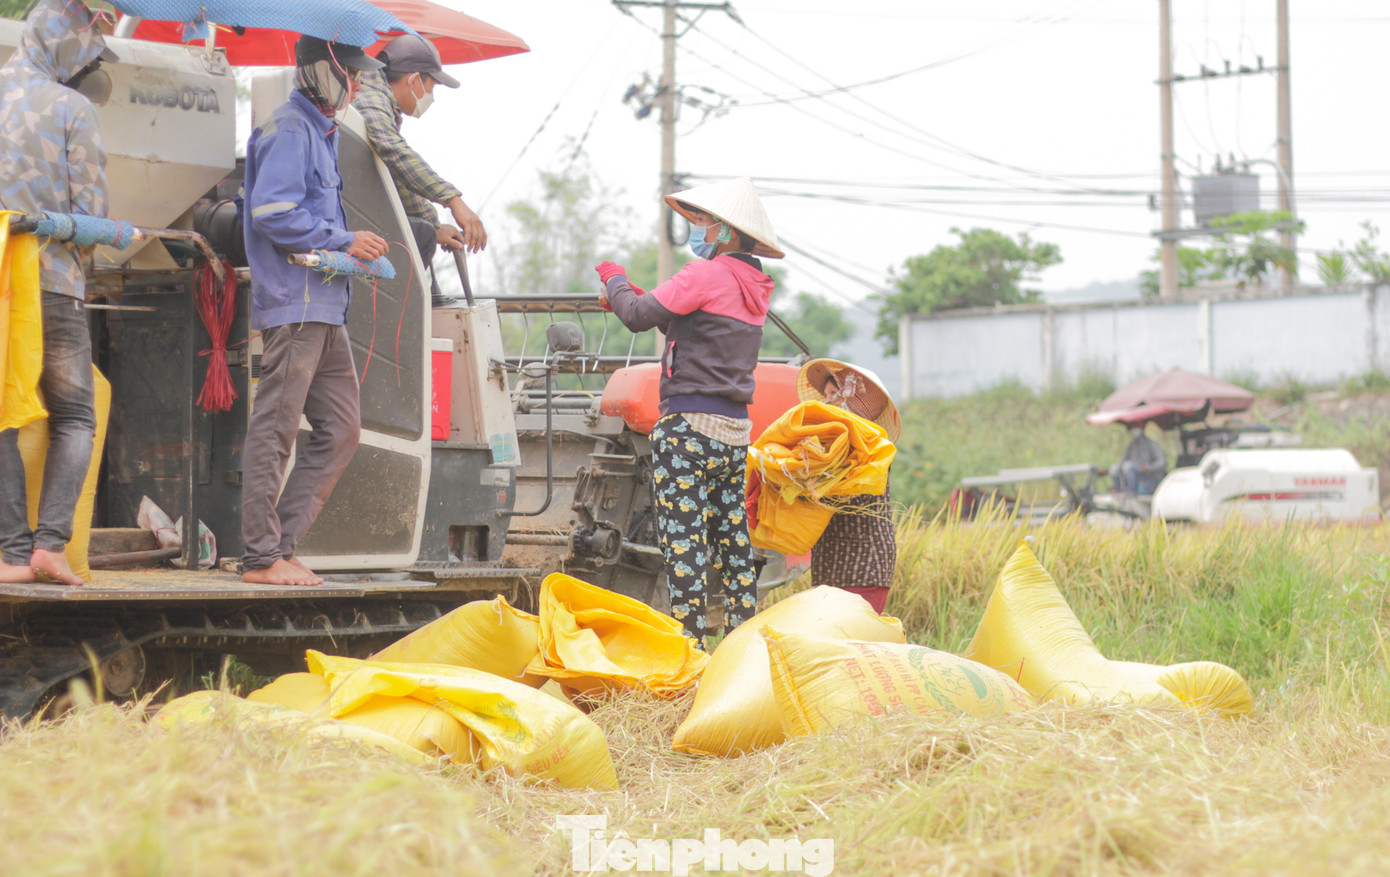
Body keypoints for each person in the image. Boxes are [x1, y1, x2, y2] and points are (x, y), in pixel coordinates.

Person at [594, 177, 782, 643]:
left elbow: (637, 316)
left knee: (684, 544)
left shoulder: (705, 274)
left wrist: (613, 278)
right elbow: (692, 320)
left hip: (689, 429)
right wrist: (637, 294)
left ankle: (691, 651)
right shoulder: (755, 285)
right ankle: (744, 646)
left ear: (723, 231)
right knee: (732, 541)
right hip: (735, 430)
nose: (696, 230)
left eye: (701, 222)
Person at [239, 36, 389, 587]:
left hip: (324, 306)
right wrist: (343, 239)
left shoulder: (319, 131)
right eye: (351, 73)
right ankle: (260, 557)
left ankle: (279, 545)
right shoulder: (289, 128)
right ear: (324, 71)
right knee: (276, 430)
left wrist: (342, 244)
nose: (356, 84)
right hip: (296, 305)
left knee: (342, 429)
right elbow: (273, 214)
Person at [0, 0, 118, 586]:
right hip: (52, 285)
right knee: (74, 414)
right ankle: (49, 545)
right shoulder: (71, 106)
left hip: (0, 285)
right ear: (70, 40)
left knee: (2, 417)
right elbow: (91, 214)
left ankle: (10, 554)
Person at [353, 33, 486, 262]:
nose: (431, 97)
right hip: (345, 217)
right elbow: (394, 151)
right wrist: (453, 200)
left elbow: (395, 172)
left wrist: (434, 224)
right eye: (432, 87)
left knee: (423, 230)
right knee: (417, 236)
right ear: (414, 80)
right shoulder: (368, 97)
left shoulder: (379, 101)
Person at [798, 359, 901, 614]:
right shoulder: (834, 443)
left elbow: (836, 493)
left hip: (864, 566)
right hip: (834, 564)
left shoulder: (870, 446)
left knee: (854, 644)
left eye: (833, 394)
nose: (826, 401)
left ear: (852, 400)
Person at [1112, 423, 1167, 495]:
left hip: (1150, 477)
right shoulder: (1131, 446)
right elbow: (1121, 462)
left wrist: (1148, 468)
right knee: (1114, 469)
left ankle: (1131, 493)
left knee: (1128, 466)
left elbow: (1162, 462)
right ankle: (1119, 492)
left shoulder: (1152, 444)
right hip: (1134, 475)